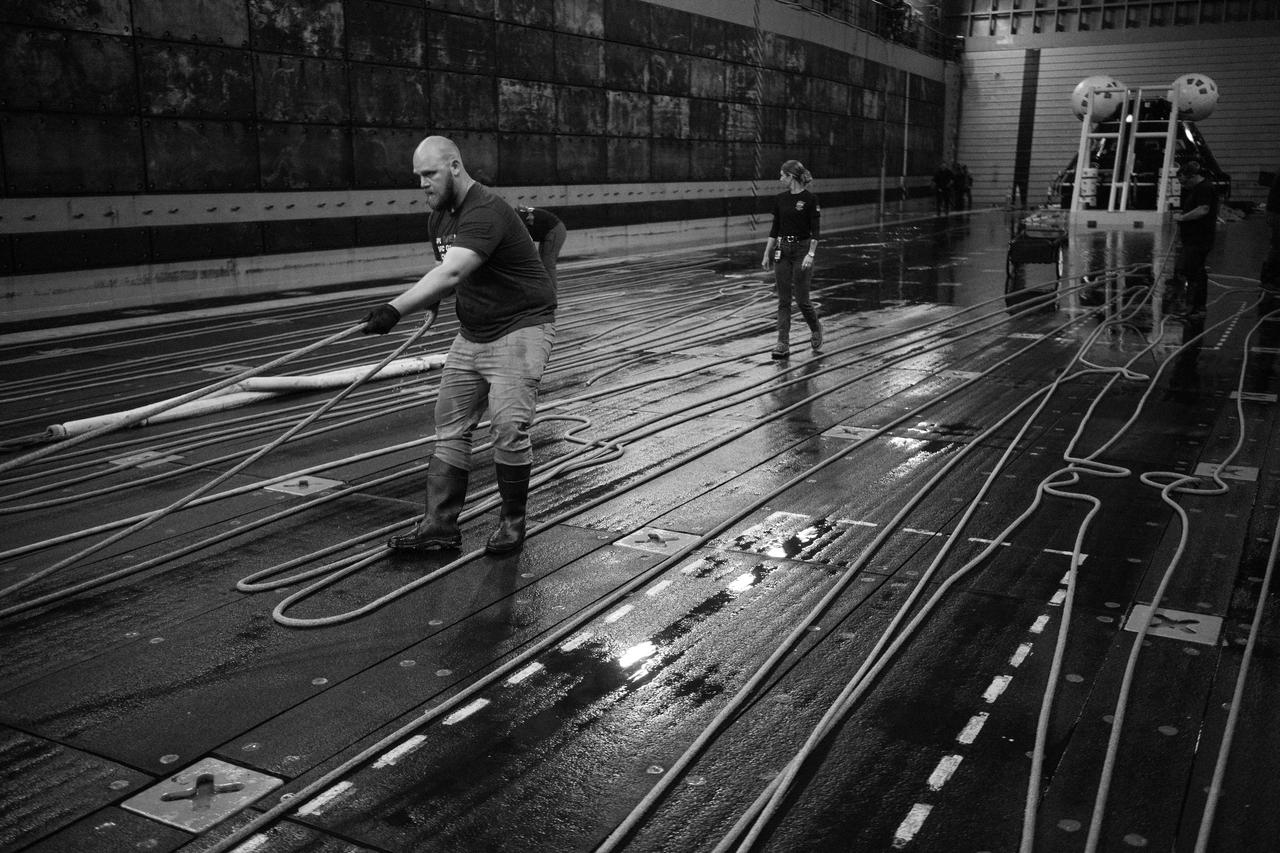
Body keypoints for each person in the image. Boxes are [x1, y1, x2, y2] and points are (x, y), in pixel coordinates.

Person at [360, 136, 557, 556]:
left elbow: (451, 274)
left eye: (428, 174)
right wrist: (430, 298)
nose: (422, 185)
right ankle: (439, 526)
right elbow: (448, 271)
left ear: (454, 167)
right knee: (449, 425)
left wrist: (395, 310)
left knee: (507, 428)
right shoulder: (440, 219)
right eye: (417, 177)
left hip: (520, 328)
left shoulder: (486, 211)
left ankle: (512, 522)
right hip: (473, 333)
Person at [760, 159, 822, 360]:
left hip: (802, 249)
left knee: (802, 299)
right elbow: (774, 229)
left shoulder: (810, 199)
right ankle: (782, 343)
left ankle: (815, 328)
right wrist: (766, 253)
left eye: (782, 175)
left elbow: (816, 232)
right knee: (783, 300)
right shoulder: (780, 199)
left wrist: (810, 255)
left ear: (791, 176)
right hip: (782, 250)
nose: (780, 179)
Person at [1170, 159, 1219, 316]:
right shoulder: (1198, 188)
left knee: (1193, 272)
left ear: (1191, 177)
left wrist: (1183, 218)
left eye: (1184, 182)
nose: (1184, 187)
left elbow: (1203, 209)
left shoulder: (1204, 189)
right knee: (1194, 271)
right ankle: (1195, 306)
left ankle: (1194, 307)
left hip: (1199, 239)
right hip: (1194, 238)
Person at [515, 205, 568, 289]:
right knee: (542, 264)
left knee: (548, 264)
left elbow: (525, 242)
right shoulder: (518, 215)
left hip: (554, 230)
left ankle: (551, 292)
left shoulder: (517, 220)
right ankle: (545, 290)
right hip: (549, 232)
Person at [1263, 165, 1280, 293]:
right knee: (1277, 247)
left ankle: (1270, 280)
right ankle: (1269, 280)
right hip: (1277, 214)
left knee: (1276, 247)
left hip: (1275, 213)